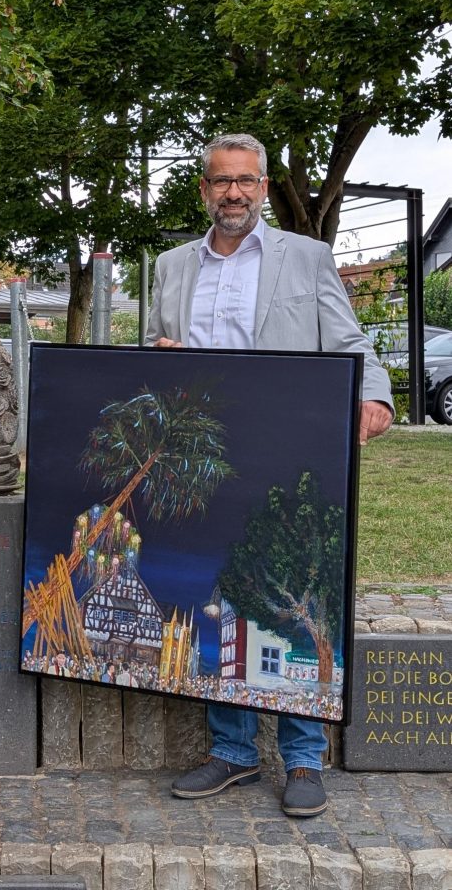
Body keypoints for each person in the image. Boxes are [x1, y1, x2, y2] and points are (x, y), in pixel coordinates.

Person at [145, 133, 393, 818]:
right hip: (202, 457)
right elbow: (153, 352)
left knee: (294, 585)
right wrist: (155, 356)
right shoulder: (170, 266)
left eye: (246, 181)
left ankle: (304, 757)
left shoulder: (305, 257)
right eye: (221, 181)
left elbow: (346, 339)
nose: (233, 193)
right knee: (217, 590)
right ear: (202, 189)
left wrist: (372, 395)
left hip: (287, 445)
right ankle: (231, 752)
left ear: (260, 186)